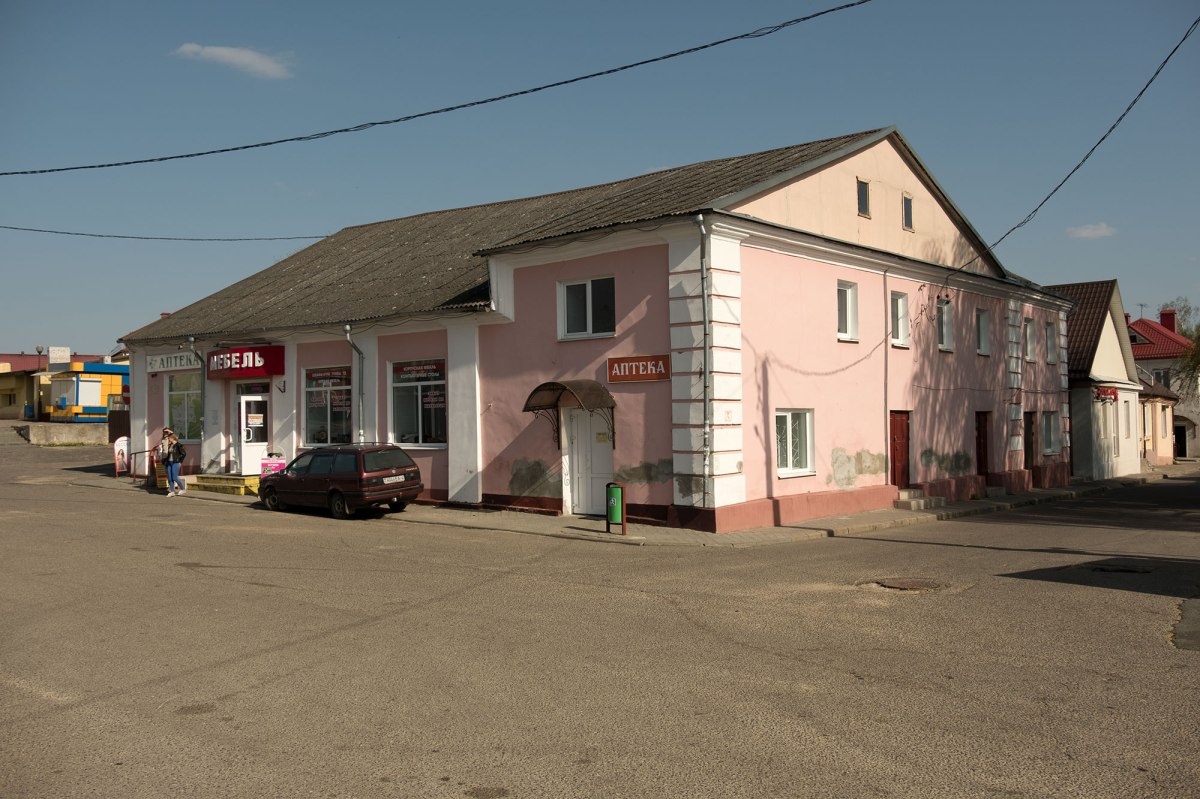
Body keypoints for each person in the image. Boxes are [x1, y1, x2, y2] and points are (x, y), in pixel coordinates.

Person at [161, 428, 187, 497]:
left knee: (174, 477)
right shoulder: (170, 445)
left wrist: (179, 461)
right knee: (170, 478)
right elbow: (167, 452)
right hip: (169, 462)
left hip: (175, 462)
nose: (169, 440)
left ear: (172, 438)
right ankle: (172, 492)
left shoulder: (179, 445)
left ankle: (183, 489)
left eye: (169, 438)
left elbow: (183, 454)